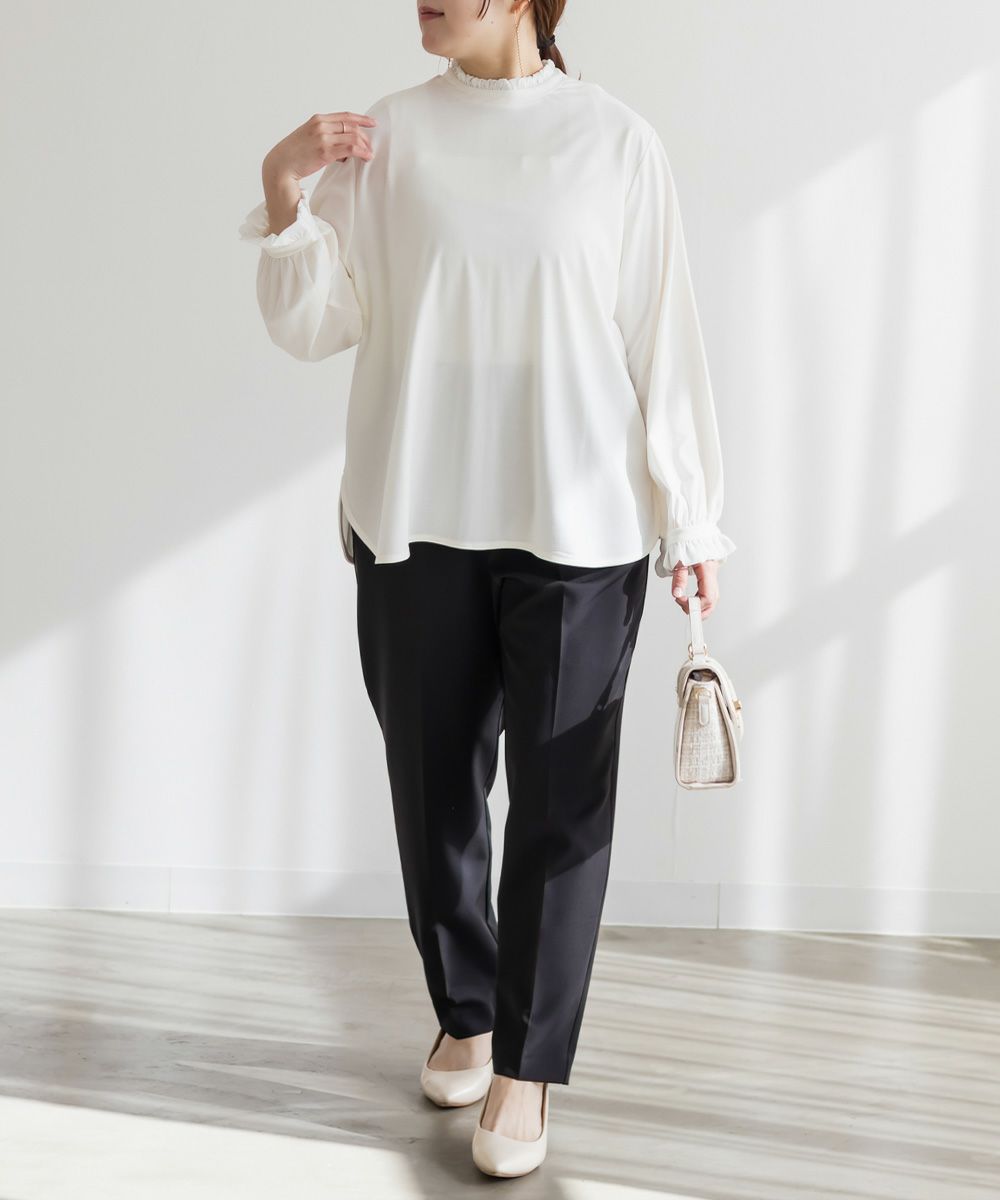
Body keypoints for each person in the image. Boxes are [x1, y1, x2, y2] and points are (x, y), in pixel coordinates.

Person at [238, 0, 736, 1178]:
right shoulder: (388, 136)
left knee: (561, 811)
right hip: (416, 515)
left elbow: (661, 337)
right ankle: (465, 1010)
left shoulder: (615, 142)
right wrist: (283, 189)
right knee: (435, 796)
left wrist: (691, 513)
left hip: (579, 525)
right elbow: (319, 325)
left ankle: (526, 1067)